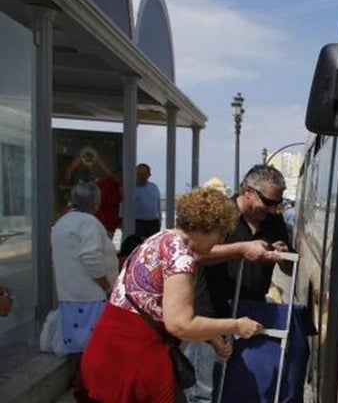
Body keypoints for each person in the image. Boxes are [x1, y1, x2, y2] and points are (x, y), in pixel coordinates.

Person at [76, 187, 281, 403]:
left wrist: (211, 338)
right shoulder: (180, 256)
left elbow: (158, 307)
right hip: (135, 363)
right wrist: (237, 325)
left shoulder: (160, 239)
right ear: (209, 228)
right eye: (222, 235)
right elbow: (180, 324)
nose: (219, 242)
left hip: (105, 354)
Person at [194, 164, 312, 403]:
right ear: (248, 191)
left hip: (252, 314)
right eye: (267, 202)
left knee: (242, 384)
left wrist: (283, 255)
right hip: (212, 314)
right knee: (206, 389)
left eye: (276, 204)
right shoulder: (219, 215)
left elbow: (288, 268)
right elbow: (197, 254)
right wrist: (240, 249)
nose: (270, 210)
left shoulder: (274, 221)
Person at [51, 181, 119, 353]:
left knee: (77, 345)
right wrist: (107, 286)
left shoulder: (62, 222)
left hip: (70, 295)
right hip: (90, 297)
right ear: (95, 202)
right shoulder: (88, 222)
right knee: (92, 347)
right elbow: (91, 258)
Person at [135, 163, 162, 239]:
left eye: (143, 174)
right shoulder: (131, 188)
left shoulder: (153, 187)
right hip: (137, 223)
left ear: (149, 175)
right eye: (138, 174)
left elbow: (158, 205)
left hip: (153, 222)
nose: (141, 176)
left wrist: (159, 220)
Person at [95, 167, 122, 239]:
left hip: (111, 222)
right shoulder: (104, 184)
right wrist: (120, 194)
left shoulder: (116, 185)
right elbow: (105, 200)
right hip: (104, 222)